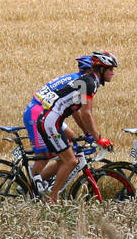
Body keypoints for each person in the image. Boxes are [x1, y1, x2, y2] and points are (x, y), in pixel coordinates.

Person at [33, 51, 117, 202]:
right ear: (101, 69)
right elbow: (86, 112)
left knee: (65, 158)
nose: (113, 73)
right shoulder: (89, 83)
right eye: (110, 69)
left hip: (52, 119)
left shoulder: (89, 81)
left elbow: (79, 111)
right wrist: (98, 138)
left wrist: (89, 133)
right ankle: (52, 199)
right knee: (71, 161)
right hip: (50, 121)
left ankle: (34, 189)